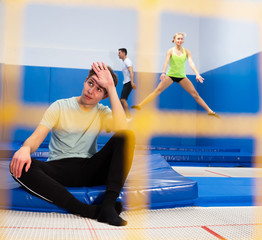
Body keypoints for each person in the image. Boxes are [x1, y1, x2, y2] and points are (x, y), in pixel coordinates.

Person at [9, 62, 136, 226]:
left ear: (104, 96)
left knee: (128, 135)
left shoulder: (103, 112)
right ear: (85, 81)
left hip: (90, 168)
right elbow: (36, 137)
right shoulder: (60, 106)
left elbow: (122, 130)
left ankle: (108, 205)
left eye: (99, 89)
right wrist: (25, 149)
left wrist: (111, 88)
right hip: (60, 169)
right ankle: (87, 210)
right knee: (19, 167)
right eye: (91, 83)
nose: (91, 91)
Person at [132, 33, 219, 118]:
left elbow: (191, 63)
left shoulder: (186, 51)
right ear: (174, 40)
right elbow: (166, 62)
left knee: (195, 94)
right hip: (170, 76)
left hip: (182, 77)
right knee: (157, 91)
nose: (180, 40)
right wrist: (163, 72)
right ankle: (140, 105)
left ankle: (209, 111)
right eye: (178, 39)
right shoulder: (170, 51)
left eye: (181, 39)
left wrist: (197, 74)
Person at [118, 48, 136, 119]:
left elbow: (131, 71)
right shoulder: (124, 62)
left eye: (119, 53)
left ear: (123, 53)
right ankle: (124, 115)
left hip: (129, 82)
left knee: (123, 100)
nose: (118, 54)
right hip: (126, 82)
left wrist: (132, 82)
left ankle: (128, 117)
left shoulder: (127, 61)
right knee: (121, 101)